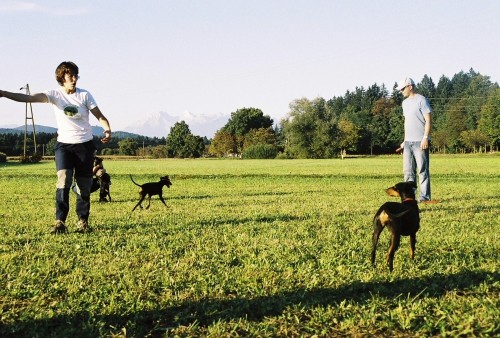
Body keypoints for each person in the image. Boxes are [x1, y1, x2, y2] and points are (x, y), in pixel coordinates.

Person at [0, 61, 111, 233]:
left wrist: (107, 129)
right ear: (62, 78)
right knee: (63, 179)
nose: (74, 79)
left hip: (85, 145)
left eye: (76, 75)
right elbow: (29, 98)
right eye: (70, 76)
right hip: (64, 145)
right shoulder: (54, 95)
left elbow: (100, 116)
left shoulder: (85, 95)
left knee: (83, 184)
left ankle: (82, 221)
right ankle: (60, 221)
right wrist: (4, 93)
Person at [397, 77, 432, 203]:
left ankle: (424, 197)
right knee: (408, 172)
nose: (401, 91)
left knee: (422, 171)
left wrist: (425, 138)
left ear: (410, 86)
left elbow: (428, 120)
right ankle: (409, 198)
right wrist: (404, 141)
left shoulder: (421, 100)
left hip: (420, 142)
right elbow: (407, 122)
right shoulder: (404, 103)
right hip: (408, 143)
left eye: (402, 89)